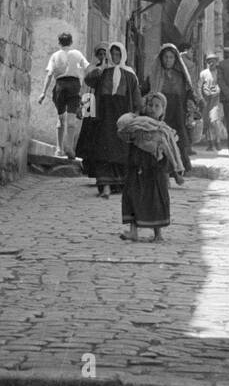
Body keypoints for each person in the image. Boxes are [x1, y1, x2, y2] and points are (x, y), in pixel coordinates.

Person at [80, 41, 138, 196]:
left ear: (123, 55)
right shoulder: (103, 72)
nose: (116, 57)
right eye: (113, 54)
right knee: (103, 152)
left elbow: (136, 97)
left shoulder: (130, 74)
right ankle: (105, 185)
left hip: (122, 117)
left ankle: (117, 185)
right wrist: (101, 68)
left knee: (120, 152)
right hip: (104, 117)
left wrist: (136, 116)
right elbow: (89, 81)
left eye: (118, 54)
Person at [118, 93, 177, 242]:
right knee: (131, 196)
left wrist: (175, 171)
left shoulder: (164, 130)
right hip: (136, 166)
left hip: (154, 171)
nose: (152, 109)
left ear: (163, 110)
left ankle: (158, 234)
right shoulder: (137, 124)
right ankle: (133, 231)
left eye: (157, 106)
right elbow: (125, 133)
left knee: (155, 200)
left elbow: (172, 152)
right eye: (150, 105)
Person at [38, 31, 91, 157]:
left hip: (60, 86)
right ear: (71, 42)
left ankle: (59, 149)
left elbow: (49, 74)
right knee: (71, 118)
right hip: (74, 85)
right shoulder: (77, 54)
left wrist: (43, 93)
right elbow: (87, 68)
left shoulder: (55, 56)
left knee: (61, 118)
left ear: (59, 43)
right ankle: (69, 147)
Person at [146, 43, 195, 175]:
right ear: (161, 58)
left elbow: (189, 93)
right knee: (162, 141)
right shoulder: (155, 75)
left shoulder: (181, 76)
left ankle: (177, 171)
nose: (168, 60)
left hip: (177, 113)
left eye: (171, 57)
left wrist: (192, 108)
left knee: (177, 141)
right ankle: (164, 172)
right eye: (166, 57)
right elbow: (146, 91)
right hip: (161, 114)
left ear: (176, 59)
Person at [198, 54, 222, 148]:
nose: (211, 63)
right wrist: (200, 98)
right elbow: (199, 86)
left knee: (214, 120)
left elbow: (222, 84)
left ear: (216, 62)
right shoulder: (203, 73)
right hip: (206, 100)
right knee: (207, 121)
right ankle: (210, 143)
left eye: (213, 61)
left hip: (217, 99)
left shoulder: (219, 72)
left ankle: (218, 140)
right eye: (209, 61)